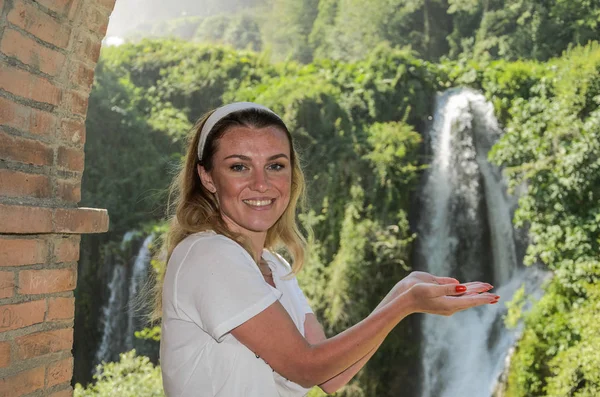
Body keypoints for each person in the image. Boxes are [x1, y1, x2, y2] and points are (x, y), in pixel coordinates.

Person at [155, 102, 499, 397]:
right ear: (208, 177)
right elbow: (306, 368)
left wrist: (403, 291)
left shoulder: (274, 267)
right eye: (239, 167)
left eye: (275, 165)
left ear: (292, 174)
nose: (261, 184)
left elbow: (331, 376)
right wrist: (404, 306)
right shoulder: (209, 254)